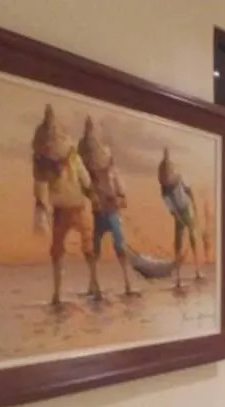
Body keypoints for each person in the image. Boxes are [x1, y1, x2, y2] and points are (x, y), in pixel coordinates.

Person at [32, 104, 98, 306]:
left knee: (85, 246)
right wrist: (41, 207)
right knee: (60, 250)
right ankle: (59, 292)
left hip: (75, 207)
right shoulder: (44, 163)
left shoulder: (70, 158)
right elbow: (40, 187)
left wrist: (91, 192)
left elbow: (85, 180)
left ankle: (90, 284)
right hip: (63, 210)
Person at [78, 117, 135, 298]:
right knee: (95, 250)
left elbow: (123, 199)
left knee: (119, 247)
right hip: (98, 215)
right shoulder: (90, 179)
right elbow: (86, 191)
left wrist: (115, 201)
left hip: (111, 215)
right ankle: (93, 285)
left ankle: (127, 284)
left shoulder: (113, 176)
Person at [157, 147, 201, 287]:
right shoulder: (164, 189)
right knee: (178, 241)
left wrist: (194, 205)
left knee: (192, 234)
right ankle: (178, 276)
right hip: (178, 213)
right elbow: (170, 207)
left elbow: (189, 191)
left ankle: (197, 269)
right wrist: (177, 216)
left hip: (185, 209)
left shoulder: (179, 178)